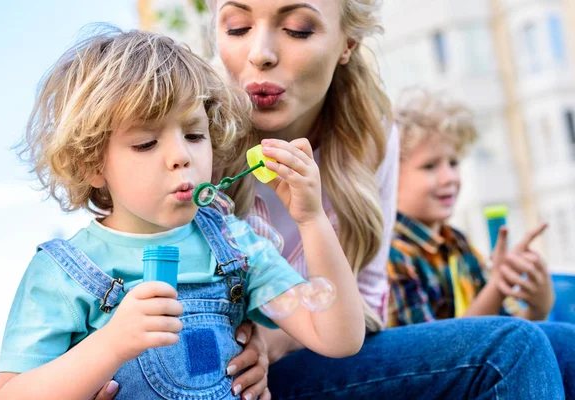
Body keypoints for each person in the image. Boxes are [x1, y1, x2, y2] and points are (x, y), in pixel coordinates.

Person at [94, 1, 567, 399]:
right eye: (236, 27)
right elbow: (120, 276)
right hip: (230, 375)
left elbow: (364, 304)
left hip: (319, 344)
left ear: (347, 44)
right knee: (514, 346)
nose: (259, 54)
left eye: (298, 28)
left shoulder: (372, 132)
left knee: (563, 341)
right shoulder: (191, 136)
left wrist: (276, 340)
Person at [0, 27, 367, 400]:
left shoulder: (234, 243)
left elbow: (338, 337)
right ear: (92, 164)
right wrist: (109, 345)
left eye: (194, 135)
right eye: (146, 142)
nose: (181, 156)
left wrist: (311, 219)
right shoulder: (63, 273)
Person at [387, 86, 575, 397]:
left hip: (474, 376)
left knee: (564, 343)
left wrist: (539, 306)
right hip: (430, 385)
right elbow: (435, 357)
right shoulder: (392, 252)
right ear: (388, 177)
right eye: (430, 166)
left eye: (454, 162)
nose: (449, 177)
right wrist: (497, 286)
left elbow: (513, 340)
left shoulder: (458, 243)